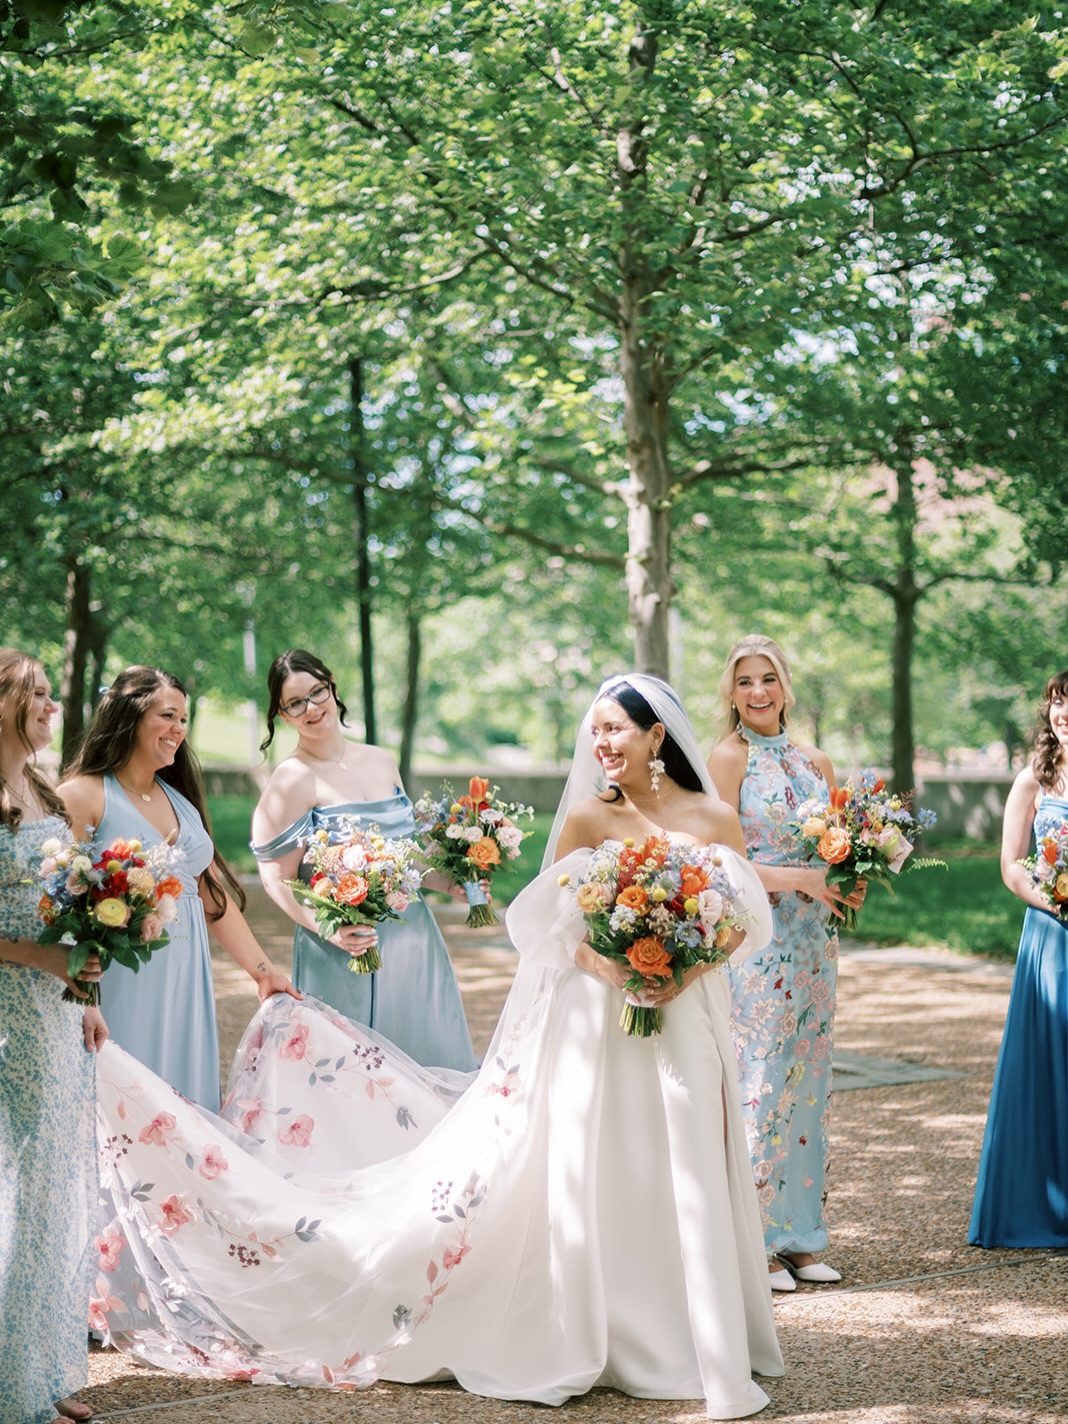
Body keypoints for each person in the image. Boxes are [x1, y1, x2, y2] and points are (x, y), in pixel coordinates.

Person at [90, 672, 783, 1419]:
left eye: (616, 728)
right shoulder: (587, 820)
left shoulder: (714, 818)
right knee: (608, 1161)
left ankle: (700, 1329)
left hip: (689, 1014)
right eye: (597, 730)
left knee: (686, 1158)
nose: (602, 743)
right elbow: (550, 928)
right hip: (601, 1020)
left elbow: (741, 917)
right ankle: (610, 1327)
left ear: (657, 735)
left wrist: (684, 968)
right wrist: (617, 965)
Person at [58, 666, 298, 1111]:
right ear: (129, 716)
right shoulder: (83, 794)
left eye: (184, 720)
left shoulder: (179, 801)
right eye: (168, 716)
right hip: (122, 978)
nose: (178, 730)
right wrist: (80, 995)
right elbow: (56, 904)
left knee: (184, 1107)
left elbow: (210, 898)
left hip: (186, 978)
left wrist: (263, 970)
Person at [708, 635, 864, 1292]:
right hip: (760, 939)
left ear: (785, 684)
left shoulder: (815, 759)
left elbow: (839, 847)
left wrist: (853, 878)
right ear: (732, 692)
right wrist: (804, 878)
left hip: (814, 941)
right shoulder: (726, 758)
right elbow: (727, 863)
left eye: (767, 678)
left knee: (808, 1084)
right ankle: (755, 1239)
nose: (757, 693)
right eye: (745, 681)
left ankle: (801, 1236)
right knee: (762, 1081)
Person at [251, 649, 476, 1070]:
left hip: (414, 938)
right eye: (295, 703)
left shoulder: (379, 759)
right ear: (283, 715)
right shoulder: (291, 779)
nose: (312, 708)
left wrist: (449, 882)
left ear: (332, 687)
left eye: (317, 692)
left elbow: (406, 851)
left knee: (425, 1057)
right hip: (344, 945)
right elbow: (275, 878)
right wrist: (328, 929)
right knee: (354, 1071)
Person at [0, 648, 107, 1424]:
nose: (48, 705)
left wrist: (86, 990)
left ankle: (37, 1369)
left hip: (56, 1010)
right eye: (32, 693)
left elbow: (64, 900)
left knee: (51, 1189)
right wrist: (42, 957)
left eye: (48, 693)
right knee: (13, 1184)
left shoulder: (40, 787)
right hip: (6, 1004)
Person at [970, 669, 1068, 1248]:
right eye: (1057, 704)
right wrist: (1055, 901)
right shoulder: (1035, 778)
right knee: (1049, 1063)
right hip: (1052, 937)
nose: (1063, 714)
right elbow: (1010, 865)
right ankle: (1041, 1204)